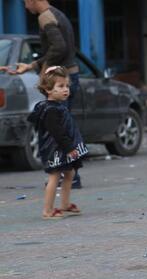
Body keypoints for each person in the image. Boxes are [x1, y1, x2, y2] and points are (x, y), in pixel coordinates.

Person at [10, 0, 83, 188]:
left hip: (60, 81)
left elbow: (59, 47)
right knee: (62, 126)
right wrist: (31, 66)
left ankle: (68, 176)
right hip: (67, 77)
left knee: (58, 128)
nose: (26, 7)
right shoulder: (57, 14)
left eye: (26, 2)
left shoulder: (45, 16)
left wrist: (44, 71)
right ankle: (69, 175)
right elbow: (58, 48)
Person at [27, 66, 88, 219]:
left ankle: (65, 204)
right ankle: (47, 210)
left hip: (62, 148)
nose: (66, 89)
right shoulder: (51, 110)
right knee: (54, 177)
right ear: (48, 89)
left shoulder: (58, 107)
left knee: (70, 173)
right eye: (60, 86)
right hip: (55, 149)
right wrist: (69, 148)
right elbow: (58, 133)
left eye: (67, 86)